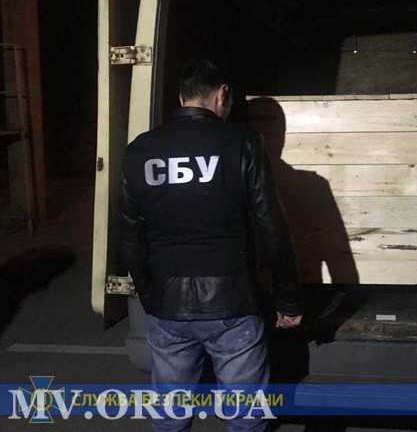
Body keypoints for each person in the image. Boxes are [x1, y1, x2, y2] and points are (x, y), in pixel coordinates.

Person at [119, 60, 303, 431]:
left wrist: (150, 296)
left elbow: (129, 235)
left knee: (169, 416)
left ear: (181, 98)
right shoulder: (242, 142)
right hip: (233, 302)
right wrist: (289, 300)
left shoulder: (141, 149)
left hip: (168, 303)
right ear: (222, 94)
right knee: (244, 416)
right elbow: (271, 227)